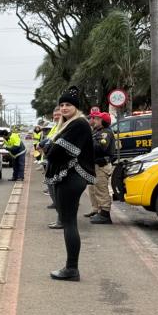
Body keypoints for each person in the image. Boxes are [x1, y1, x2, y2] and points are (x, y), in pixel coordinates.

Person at [45, 86, 96, 281]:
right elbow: (52, 149)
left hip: (71, 177)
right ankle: (71, 267)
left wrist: (50, 148)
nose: (64, 108)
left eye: (68, 104)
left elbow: (55, 152)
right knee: (68, 222)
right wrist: (50, 148)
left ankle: (72, 268)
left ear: (76, 107)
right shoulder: (69, 124)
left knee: (69, 223)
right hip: (68, 177)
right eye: (62, 105)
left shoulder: (79, 124)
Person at [85, 111, 116, 224]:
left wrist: (89, 141)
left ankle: (105, 214)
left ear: (103, 122)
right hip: (95, 165)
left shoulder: (106, 133)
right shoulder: (97, 132)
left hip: (101, 166)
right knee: (94, 189)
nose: (95, 120)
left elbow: (100, 148)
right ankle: (98, 211)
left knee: (101, 189)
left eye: (98, 119)